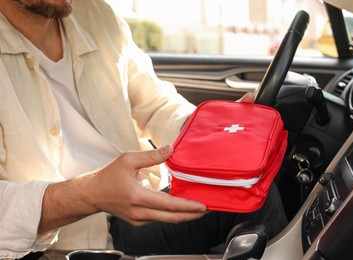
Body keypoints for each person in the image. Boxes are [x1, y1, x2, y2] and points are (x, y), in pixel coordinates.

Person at [0, 0, 287, 259]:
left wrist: (212, 133)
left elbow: (156, 103)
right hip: (63, 244)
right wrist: (90, 194)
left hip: (142, 198)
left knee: (250, 188)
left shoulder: (97, 15)